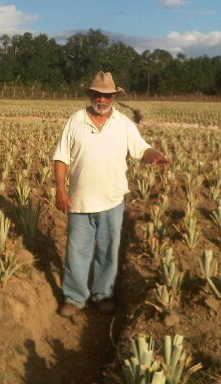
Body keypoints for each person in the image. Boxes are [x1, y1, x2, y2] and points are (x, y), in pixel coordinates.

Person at [52, 71, 169, 317]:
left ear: (114, 97)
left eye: (107, 96)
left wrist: (154, 155)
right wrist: (60, 189)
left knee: (108, 252)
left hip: (112, 201)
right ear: (90, 95)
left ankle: (103, 294)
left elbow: (142, 149)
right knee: (77, 252)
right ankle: (74, 298)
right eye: (97, 95)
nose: (102, 100)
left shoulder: (124, 124)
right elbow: (61, 157)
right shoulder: (75, 121)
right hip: (80, 202)